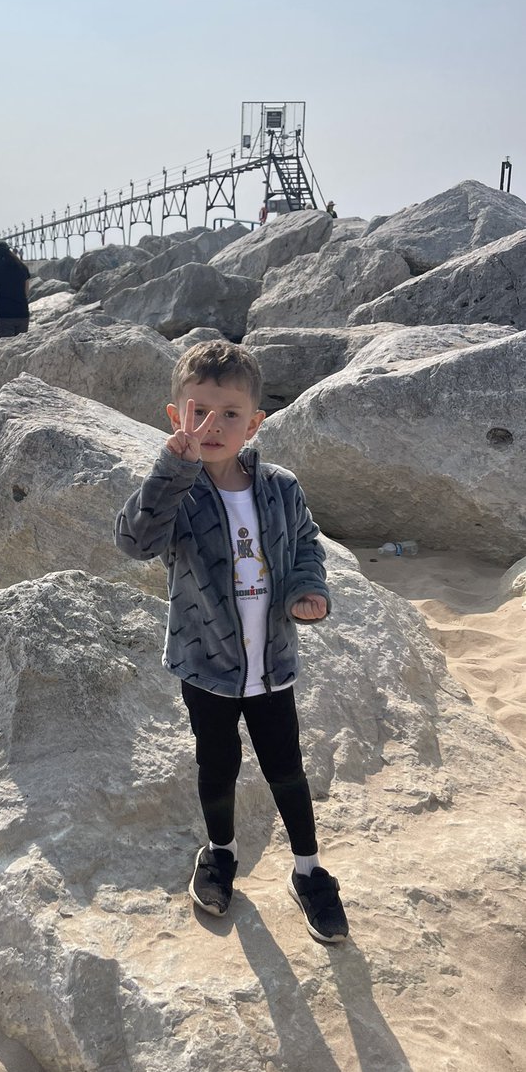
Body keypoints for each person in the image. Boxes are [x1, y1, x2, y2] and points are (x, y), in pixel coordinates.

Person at [114, 341, 349, 944]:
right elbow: (135, 542)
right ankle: (219, 855)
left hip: (274, 664)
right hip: (205, 663)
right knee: (216, 764)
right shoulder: (178, 489)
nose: (213, 427)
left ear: (254, 422)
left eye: (229, 414)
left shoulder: (280, 487)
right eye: (199, 412)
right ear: (177, 417)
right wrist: (172, 468)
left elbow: (305, 548)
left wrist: (307, 590)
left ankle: (308, 871)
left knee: (286, 767)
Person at [0, 241, 30, 337]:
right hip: (22, 313)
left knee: (5, 347)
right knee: (21, 347)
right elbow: (26, 292)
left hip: (3, 315)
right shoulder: (22, 267)